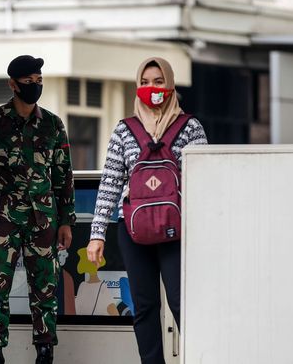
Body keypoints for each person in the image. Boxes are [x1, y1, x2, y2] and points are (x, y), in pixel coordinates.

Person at [86, 57, 207, 363]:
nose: (151, 88)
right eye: (144, 82)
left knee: (183, 305)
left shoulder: (190, 128)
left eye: (158, 82)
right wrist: (96, 236)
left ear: (170, 85)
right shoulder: (124, 130)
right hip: (133, 232)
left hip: (177, 233)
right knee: (144, 307)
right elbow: (110, 185)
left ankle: (200, 357)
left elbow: (205, 183)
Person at [0, 55, 76, 364]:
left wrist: (66, 221)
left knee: (44, 286)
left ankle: (45, 349)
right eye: (29, 81)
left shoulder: (53, 124)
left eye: (39, 80)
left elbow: (63, 177)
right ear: (12, 85)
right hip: (3, 220)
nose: (35, 86)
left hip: (43, 220)